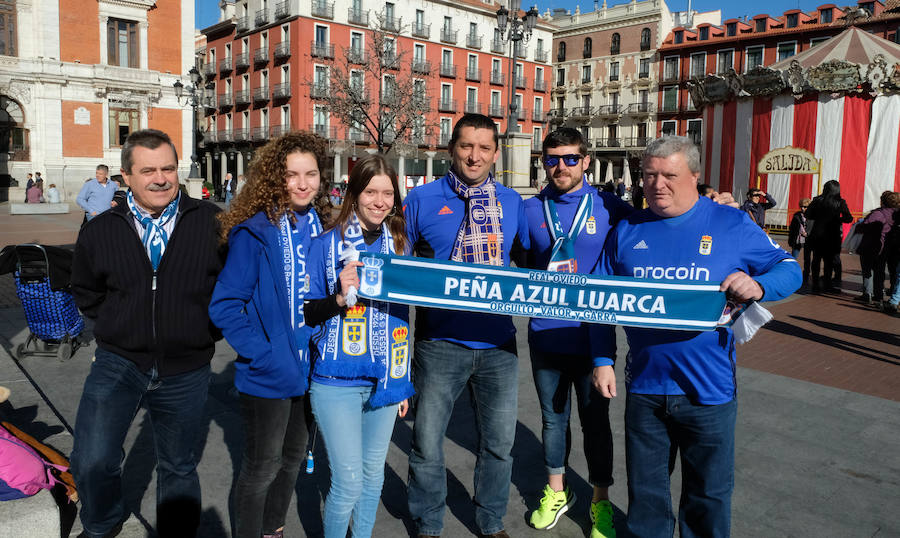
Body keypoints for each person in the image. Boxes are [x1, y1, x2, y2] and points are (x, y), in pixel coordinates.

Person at [594, 136, 801, 537]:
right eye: (649, 175)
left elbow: (789, 269)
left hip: (709, 391)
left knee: (708, 496)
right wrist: (603, 360)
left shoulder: (732, 222)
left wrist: (758, 285)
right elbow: (597, 303)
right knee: (647, 496)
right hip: (645, 390)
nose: (657, 185)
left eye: (669, 175)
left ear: (694, 175)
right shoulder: (626, 229)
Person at [70, 129, 225, 538]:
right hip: (119, 362)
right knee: (92, 459)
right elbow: (86, 290)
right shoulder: (101, 230)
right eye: (149, 170)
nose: (161, 178)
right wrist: (117, 325)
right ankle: (102, 522)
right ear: (126, 177)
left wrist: (201, 331)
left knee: (178, 465)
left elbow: (231, 289)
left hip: (187, 367)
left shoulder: (211, 223)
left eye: (169, 168)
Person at [404, 113, 530, 538]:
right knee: (426, 443)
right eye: (466, 146)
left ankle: (490, 520)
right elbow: (393, 263)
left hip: (499, 345)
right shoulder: (421, 200)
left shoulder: (513, 203)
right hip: (439, 343)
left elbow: (537, 264)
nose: (474, 156)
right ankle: (428, 523)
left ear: (496, 153)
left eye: (484, 148)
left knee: (499, 445)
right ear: (451, 148)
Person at [208, 131, 332, 538]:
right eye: (292, 175)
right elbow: (225, 304)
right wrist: (261, 353)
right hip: (269, 373)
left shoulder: (324, 227)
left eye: (310, 174)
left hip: (313, 369)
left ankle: (272, 530)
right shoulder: (254, 232)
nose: (301, 183)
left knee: (294, 457)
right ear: (275, 179)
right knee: (262, 467)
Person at [523, 128, 632, 537]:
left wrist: (715, 205)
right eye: (552, 159)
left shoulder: (610, 206)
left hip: (593, 338)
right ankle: (557, 492)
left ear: (586, 161)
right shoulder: (531, 210)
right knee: (553, 423)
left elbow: (658, 225)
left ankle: (600, 502)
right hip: (545, 336)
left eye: (570, 158)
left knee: (595, 423)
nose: (560, 167)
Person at [303, 155, 414, 538]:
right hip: (336, 380)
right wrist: (338, 295)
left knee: (371, 480)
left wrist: (402, 379)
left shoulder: (400, 244)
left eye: (387, 193)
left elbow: (403, 315)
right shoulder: (325, 244)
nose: (380, 201)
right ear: (354, 193)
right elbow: (306, 312)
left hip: (385, 379)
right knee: (348, 482)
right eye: (370, 192)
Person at [806, 180, 853, 293]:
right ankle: (827, 285)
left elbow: (808, 214)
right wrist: (838, 219)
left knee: (816, 260)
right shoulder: (840, 202)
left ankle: (815, 285)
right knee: (829, 262)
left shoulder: (817, 200)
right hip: (832, 235)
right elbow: (849, 218)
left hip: (817, 234)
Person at [856, 191, 899, 305]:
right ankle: (879, 294)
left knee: (867, 270)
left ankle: (868, 294)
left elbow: (864, 227)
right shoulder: (896, 214)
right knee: (880, 271)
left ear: (883, 201)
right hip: (886, 247)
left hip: (872, 245)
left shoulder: (878, 214)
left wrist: (859, 226)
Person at [788, 198, 812, 284]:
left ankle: (806, 275)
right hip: (797, 239)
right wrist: (791, 240)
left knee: (807, 259)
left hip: (808, 240)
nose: (802, 208)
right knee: (793, 257)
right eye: (801, 206)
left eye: (805, 207)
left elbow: (813, 227)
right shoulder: (797, 215)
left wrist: (808, 233)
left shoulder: (812, 216)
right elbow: (792, 229)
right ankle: (790, 273)